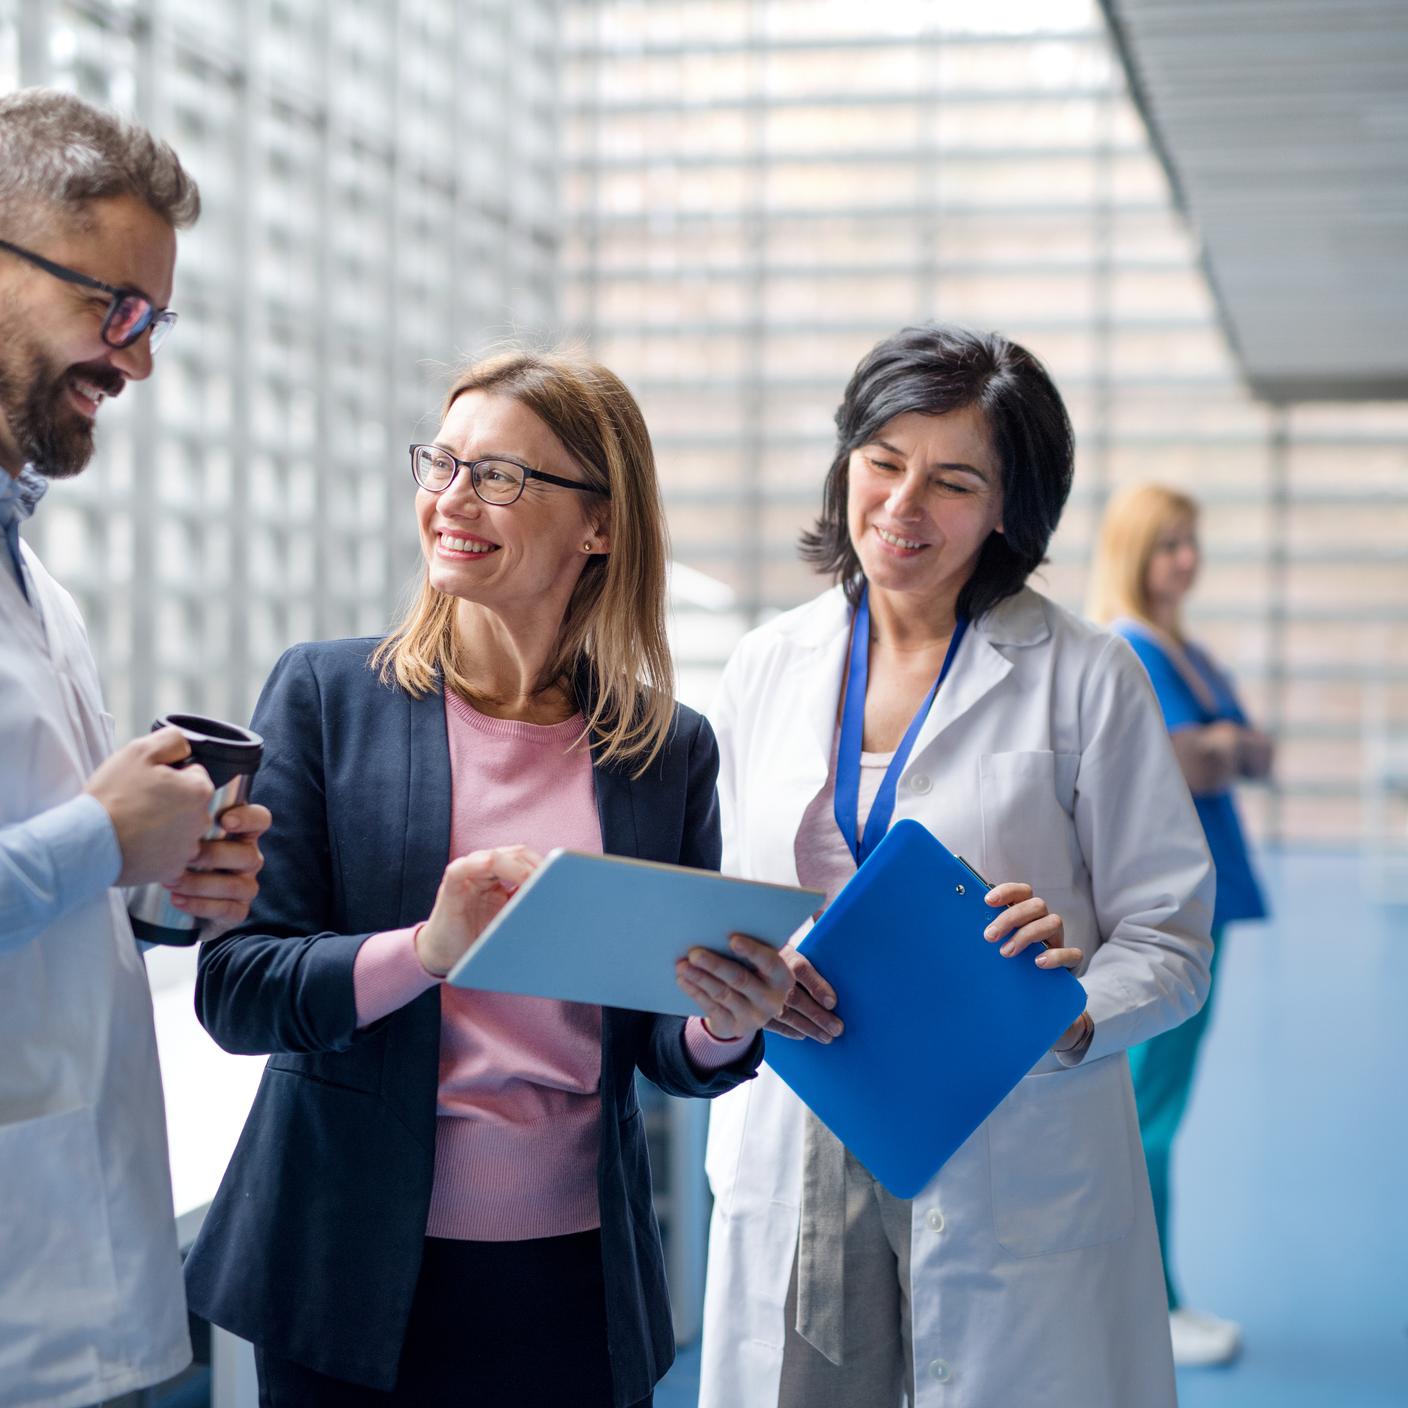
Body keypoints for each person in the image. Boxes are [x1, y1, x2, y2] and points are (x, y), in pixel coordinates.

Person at [182, 348, 793, 1407]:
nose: (453, 500)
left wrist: (725, 1020)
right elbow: (237, 990)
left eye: (501, 475)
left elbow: (661, 1041)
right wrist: (427, 950)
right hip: (346, 1270)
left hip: (572, 1281)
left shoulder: (665, 748)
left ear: (598, 523)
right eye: (442, 464)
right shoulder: (327, 696)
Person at [698, 324, 1217, 1408]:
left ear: (1007, 510)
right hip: (806, 1122)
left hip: (1006, 1123)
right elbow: (719, 893)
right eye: (882, 462)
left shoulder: (1085, 675)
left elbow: (1169, 939)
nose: (901, 504)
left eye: (953, 481)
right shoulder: (764, 665)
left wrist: (1068, 1007)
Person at [0, 89, 271, 1408]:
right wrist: (99, 837)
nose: (140, 362)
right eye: (117, 312)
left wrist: (163, 886)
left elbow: (53, 884)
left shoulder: (38, 589)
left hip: (87, 1282)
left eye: (155, 322)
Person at [1089, 481, 1271, 1366]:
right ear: (1135, 551)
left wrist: (1222, 748)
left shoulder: (1183, 651)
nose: (1186, 562)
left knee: (1160, 1102)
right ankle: (1153, 1299)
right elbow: (1176, 762)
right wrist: (1220, 748)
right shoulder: (1132, 648)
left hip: (1210, 901)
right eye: (1170, 545)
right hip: (1171, 911)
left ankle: (1145, 1288)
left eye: (1192, 543)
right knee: (1150, 1112)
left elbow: (1247, 750)